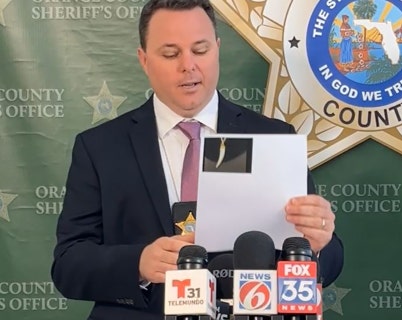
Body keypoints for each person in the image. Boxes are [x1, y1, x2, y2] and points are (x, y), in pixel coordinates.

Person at [51, 1, 344, 319]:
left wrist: (316, 245)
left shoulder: (276, 138)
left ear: (217, 49)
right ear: (144, 60)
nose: (188, 65)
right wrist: (139, 263)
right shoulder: (100, 147)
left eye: (200, 50)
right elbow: (69, 264)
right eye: (171, 53)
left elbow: (331, 260)